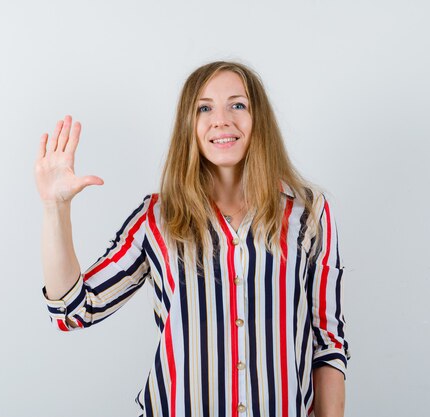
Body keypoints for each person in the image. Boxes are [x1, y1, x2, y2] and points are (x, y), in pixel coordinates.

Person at [34, 61, 350, 417]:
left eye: (238, 105)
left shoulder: (309, 214)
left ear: (258, 118)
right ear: (189, 125)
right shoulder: (156, 218)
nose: (221, 120)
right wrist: (54, 209)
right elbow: (74, 310)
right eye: (204, 108)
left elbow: (328, 344)